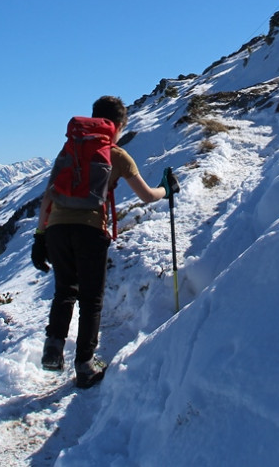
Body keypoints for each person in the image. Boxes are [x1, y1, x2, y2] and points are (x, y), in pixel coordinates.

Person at [31, 95, 179, 389]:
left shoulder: (69, 148)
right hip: (90, 230)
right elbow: (148, 196)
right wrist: (166, 189)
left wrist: (40, 235)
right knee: (91, 298)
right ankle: (85, 365)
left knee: (64, 289)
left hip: (58, 228)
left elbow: (49, 194)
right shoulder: (116, 155)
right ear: (118, 125)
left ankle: (53, 348)